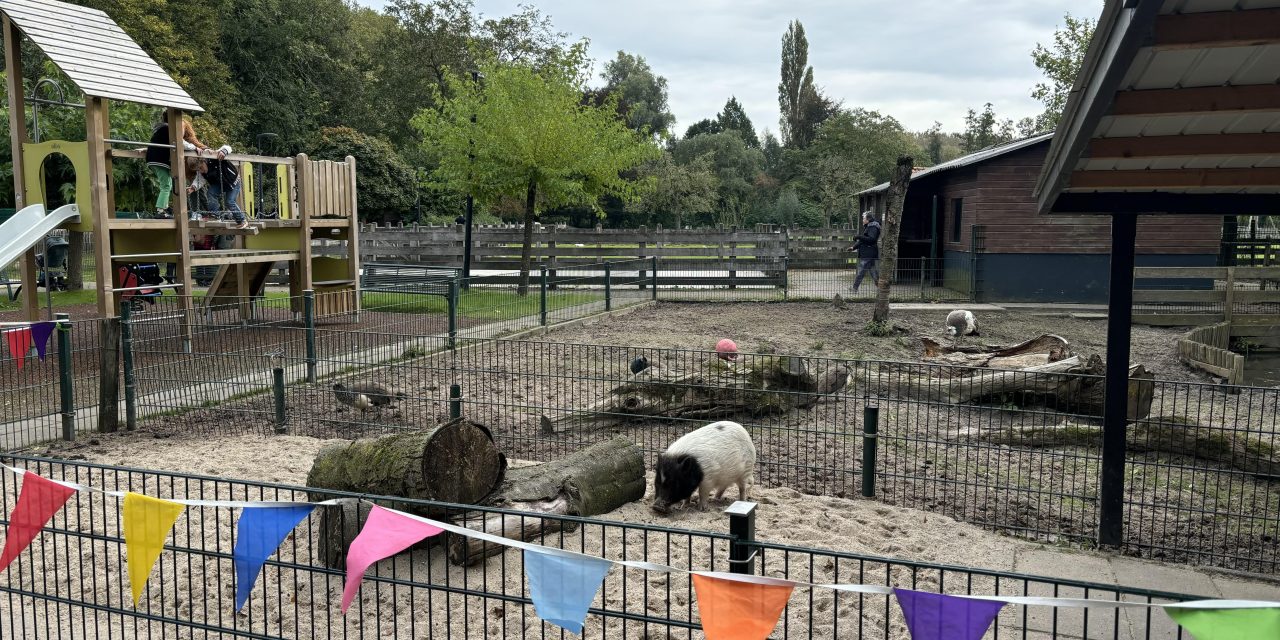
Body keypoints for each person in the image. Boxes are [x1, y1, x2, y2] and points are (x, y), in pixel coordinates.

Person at [145, 118, 208, 219]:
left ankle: (164, 207)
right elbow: (180, 142)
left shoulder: (161, 131)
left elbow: (154, 145)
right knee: (166, 186)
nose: (181, 132)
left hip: (154, 159)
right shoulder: (170, 130)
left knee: (169, 183)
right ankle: (160, 210)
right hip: (160, 160)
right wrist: (196, 148)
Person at [203, 144, 248, 229]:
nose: (203, 171)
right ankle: (215, 216)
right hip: (221, 183)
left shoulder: (215, 156)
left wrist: (224, 152)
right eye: (200, 170)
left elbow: (228, 147)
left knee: (229, 201)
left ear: (204, 162)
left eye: (202, 168)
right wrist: (193, 187)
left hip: (233, 181)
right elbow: (200, 180)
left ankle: (242, 220)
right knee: (211, 193)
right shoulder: (201, 171)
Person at [850, 210, 881, 291]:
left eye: (863, 218)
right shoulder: (869, 226)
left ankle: (854, 288)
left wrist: (858, 236)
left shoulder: (873, 227)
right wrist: (854, 247)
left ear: (868, 219)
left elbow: (871, 239)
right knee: (873, 271)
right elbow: (863, 240)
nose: (862, 220)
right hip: (869, 253)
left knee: (861, 271)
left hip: (868, 253)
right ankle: (880, 288)